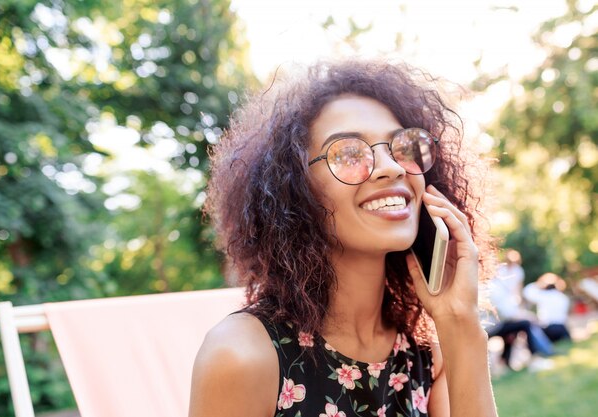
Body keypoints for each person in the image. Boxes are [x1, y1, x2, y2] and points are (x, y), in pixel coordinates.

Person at [189, 59, 498, 417]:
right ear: (294, 188)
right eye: (349, 153)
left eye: (403, 146)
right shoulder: (241, 355)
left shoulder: (430, 352)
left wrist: (462, 325)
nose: (393, 167)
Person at [523, 272, 571, 342]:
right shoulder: (563, 297)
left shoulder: (543, 296)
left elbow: (527, 292)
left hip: (549, 329)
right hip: (563, 329)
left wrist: (538, 284)